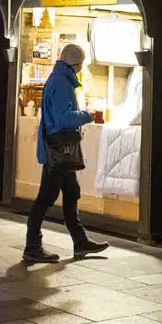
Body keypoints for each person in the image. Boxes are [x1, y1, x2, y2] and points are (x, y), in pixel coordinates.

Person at [22, 44, 108, 264]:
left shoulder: (61, 79)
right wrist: (88, 116)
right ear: (76, 63)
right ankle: (32, 246)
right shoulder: (62, 83)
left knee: (72, 193)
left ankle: (80, 241)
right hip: (59, 152)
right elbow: (63, 118)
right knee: (46, 197)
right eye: (81, 63)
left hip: (61, 152)